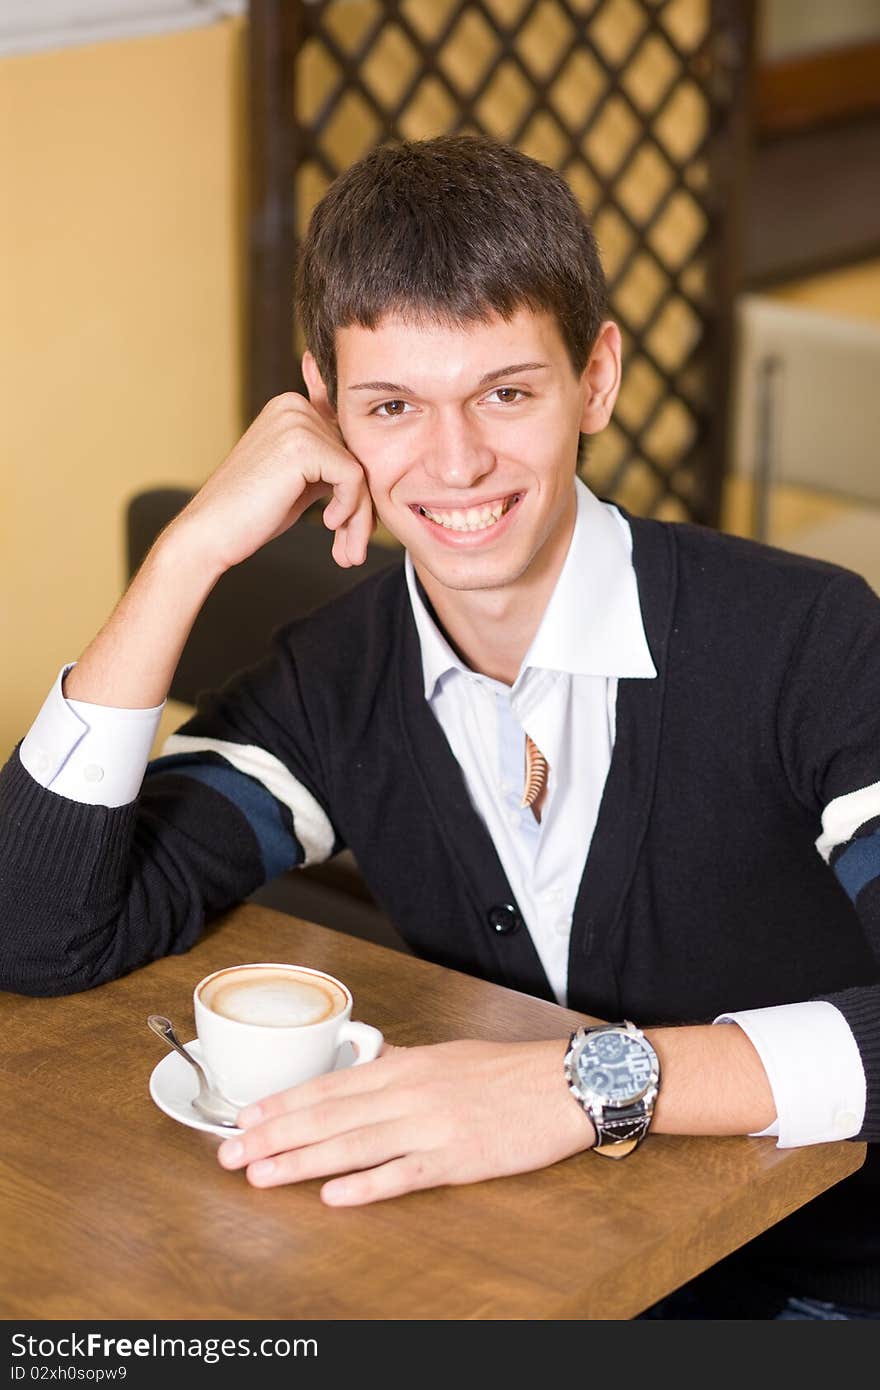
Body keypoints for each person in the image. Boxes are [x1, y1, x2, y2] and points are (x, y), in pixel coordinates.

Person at [1, 135, 879, 1321]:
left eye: (505, 392)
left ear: (597, 379)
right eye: (393, 406)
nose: (455, 459)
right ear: (322, 409)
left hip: (814, 1291)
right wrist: (188, 554)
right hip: (513, 1267)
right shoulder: (336, 680)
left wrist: (582, 1083)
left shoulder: (807, 639)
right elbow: (38, 930)